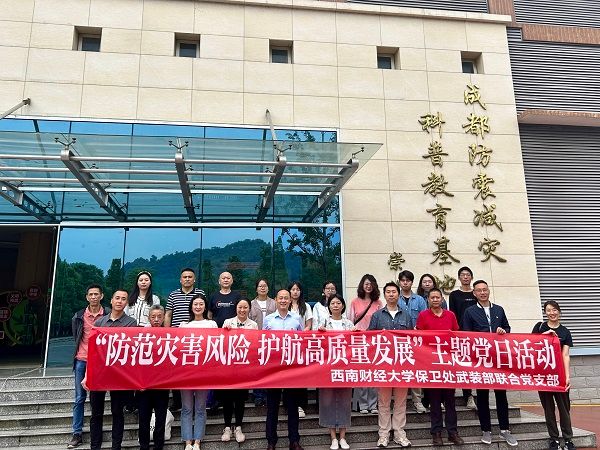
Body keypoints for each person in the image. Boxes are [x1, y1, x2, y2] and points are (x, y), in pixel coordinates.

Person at [463, 280, 517, 447]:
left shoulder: (498, 309)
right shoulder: (469, 311)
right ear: (474, 293)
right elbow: (466, 335)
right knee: (482, 396)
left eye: (485, 289)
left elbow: (507, 328)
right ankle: (486, 429)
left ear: (488, 291)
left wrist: (503, 331)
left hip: (498, 358)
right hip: (481, 360)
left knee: (501, 395)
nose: (482, 292)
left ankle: (505, 429)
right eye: (479, 290)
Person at [81, 289, 137, 450]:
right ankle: (95, 446)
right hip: (99, 373)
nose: (120, 301)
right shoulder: (100, 323)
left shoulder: (131, 323)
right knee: (96, 413)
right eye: (117, 298)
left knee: (117, 412)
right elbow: (92, 351)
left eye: (123, 299)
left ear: (126, 303)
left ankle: (116, 446)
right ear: (111, 301)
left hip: (118, 374)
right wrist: (87, 375)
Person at [416, 288, 464, 446]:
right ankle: (436, 432)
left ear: (442, 299)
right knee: (435, 401)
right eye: (432, 297)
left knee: (450, 401)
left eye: (438, 297)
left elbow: (457, 336)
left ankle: (452, 432)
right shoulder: (423, 315)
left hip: (448, 364)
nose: (435, 300)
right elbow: (419, 338)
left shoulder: (450, 315)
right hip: (431, 364)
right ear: (428, 300)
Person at [368, 282, 411, 448]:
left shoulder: (406, 315)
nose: (391, 294)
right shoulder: (377, 316)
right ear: (384, 295)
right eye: (388, 292)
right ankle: (383, 435)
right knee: (384, 402)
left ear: (398, 295)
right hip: (383, 365)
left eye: (394, 292)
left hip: (402, 365)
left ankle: (399, 433)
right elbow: (370, 338)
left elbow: (411, 339)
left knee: (400, 401)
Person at [68, 284, 110, 449]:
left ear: (101, 296)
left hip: (100, 362)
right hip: (82, 360)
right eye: (90, 294)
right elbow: (77, 336)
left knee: (97, 399)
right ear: (87, 297)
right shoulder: (78, 316)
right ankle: (76, 433)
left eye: (96, 294)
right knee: (79, 398)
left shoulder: (107, 314)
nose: (93, 297)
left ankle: (96, 433)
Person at [263, 289, 304, 450]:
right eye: (280, 298)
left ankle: (294, 440)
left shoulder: (296, 318)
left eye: (286, 298)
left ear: (290, 301)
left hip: (291, 367)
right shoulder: (268, 319)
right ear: (276, 300)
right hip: (273, 368)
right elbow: (263, 341)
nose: (283, 300)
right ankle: (271, 441)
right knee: (272, 406)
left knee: (292, 406)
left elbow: (302, 340)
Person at [532, 300, 574, 450]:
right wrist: (545, 335)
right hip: (543, 376)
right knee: (548, 409)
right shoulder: (539, 327)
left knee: (564, 409)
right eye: (549, 310)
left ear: (559, 312)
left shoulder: (565, 331)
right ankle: (554, 439)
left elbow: (565, 355)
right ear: (545, 312)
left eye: (554, 310)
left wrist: (567, 376)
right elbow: (531, 345)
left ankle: (568, 439)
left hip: (559, 376)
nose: (552, 313)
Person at [179, 294, 217, 450]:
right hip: (186, 373)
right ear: (191, 306)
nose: (198, 307)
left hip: (204, 372)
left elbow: (217, 344)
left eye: (201, 304)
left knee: (200, 408)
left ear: (205, 306)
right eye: (195, 304)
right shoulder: (183, 326)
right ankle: (188, 441)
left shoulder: (212, 324)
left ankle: (197, 441)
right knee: (187, 408)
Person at [318, 294, 354, 450]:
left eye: (338, 303)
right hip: (327, 368)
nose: (335, 305)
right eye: (332, 303)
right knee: (328, 402)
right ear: (329, 306)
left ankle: (343, 436)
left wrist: (356, 332)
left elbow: (355, 344)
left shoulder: (349, 323)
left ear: (343, 305)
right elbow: (316, 344)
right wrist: (320, 333)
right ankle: (333, 437)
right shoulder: (323, 323)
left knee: (345, 401)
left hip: (345, 368)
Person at [165, 268, 204, 410]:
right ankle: (177, 402)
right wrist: (167, 333)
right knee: (177, 370)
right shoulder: (173, 295)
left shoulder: (200, 294)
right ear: (180, 280)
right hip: (177, 338)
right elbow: (168, 314)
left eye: (190, 277)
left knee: (196, 369)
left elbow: (206, 313)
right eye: (185, 277)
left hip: (196, 338)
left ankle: (197, 401)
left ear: (194, 279)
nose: (187, 279)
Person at [221, 299, 258, 444]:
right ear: (235, 308)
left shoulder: (253, 325)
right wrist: (225, 331)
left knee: (240, 399)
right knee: (227, 398)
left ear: (249, 309)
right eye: (240, 307)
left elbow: (255, 345)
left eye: (245, 307)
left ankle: (238, 427)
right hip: (228, 368)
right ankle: (227, 427)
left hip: (244, 368)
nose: (242, 310)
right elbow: (221, 343)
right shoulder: (227, 322)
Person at [348, 274, 383, 415]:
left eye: (371, 284)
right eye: (366, 283)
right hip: (359, 341)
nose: (368, 286)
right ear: (362, 285)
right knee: (362, 373)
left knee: (373, 373)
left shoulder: (378, 303)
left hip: (374, 341)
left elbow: (381, 321)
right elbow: (350, 322)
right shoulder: (354, 302)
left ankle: (373, 405)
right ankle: (362, 404)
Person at [138, 305, 170, 450]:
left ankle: (159, 446)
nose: (156, 319)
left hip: (162, 385)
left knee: (160, 418)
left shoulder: (169, 335)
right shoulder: (141, 336)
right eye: (153, 317)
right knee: (143, 419)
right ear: (148, 318)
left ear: (163, 318)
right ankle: (143, 446)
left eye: (159, 317)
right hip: (144, 385)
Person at [397, 270, 427, 414]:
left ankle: (417, 401)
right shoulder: (395, 298)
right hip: (399, 340)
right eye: (403, 280)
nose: (405, 283)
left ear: (412, 282)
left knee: (416, 370)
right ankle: (399, 402)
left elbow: (424, 317)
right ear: (399, 282)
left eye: (408, 280)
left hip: (416, 340)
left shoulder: (420, 300)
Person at [448, 266, 477, 410]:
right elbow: (452, 314)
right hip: (461, 335)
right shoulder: (454, 295)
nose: (465, 277)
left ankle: (478, 393)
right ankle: (467, 395)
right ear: (459, 278)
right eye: (463, 275)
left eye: (468, 274)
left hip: (477, 335)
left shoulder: (477, 292)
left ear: (471, 277)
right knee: (463, 366)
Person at [288, 280, 312, 417]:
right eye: (293, 289)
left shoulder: (306, 306)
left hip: (302, 344)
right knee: (288, 375)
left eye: (297, 289)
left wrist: (301, 333)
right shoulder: (285, 305)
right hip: (287, 345)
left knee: (301, 375)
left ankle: (301, 405)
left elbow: (309, 324)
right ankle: (289, 405)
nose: (295, 292)